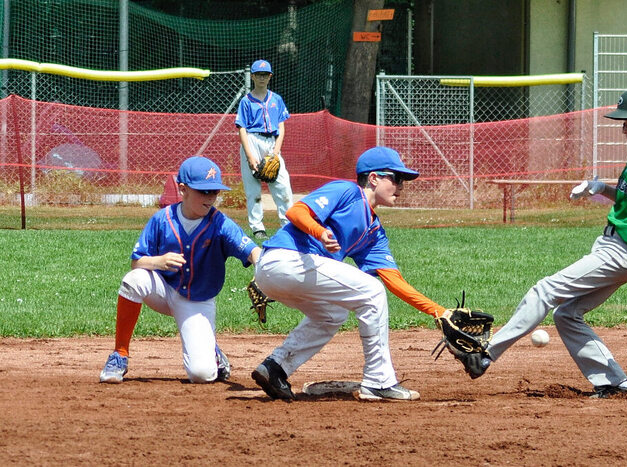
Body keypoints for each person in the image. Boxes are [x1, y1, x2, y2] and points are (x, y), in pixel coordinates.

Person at [471, 87, 627, 398]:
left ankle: (485, 353)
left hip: (623, 252)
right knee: (567, 314)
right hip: (613, 247)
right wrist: (600, 187)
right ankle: (616, 382)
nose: (622, 128)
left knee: (545, 290)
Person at [250, 146, 449, 401]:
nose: (401, 186)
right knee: (371, 291)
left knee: (333, 312)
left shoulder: (374, 231)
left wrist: (440, 312)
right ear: (374, 178)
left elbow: (395, 282)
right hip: (283, 260)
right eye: (396, 178)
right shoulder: (346, 191)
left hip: (290, 272)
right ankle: (379, 380)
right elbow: (295, 212)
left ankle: (276, 367)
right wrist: (319, 232)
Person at [99, 156, 262, 384]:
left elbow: (252, 251)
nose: (211, 198)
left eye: (214, 192)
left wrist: (262, 271)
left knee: (201, 375)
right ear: (183, 189)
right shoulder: (162, 220)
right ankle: (119, 355)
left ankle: (212, 353)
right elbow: (137, 263)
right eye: (203, 192)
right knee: (133, 280)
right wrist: (159, 262)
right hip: (163, 291)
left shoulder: (220, 223)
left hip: (196, 302)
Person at [236, 59, 293, 240]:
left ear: (270, 76)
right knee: (253, 189)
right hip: (252, 140)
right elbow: (242, 129)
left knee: (283, 187)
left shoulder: (276, 99)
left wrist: (276, 151)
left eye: (265, 74)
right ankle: (257, 227)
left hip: (272, 142)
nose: (262, 78)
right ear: (252, 76)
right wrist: (250, 156)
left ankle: (288, 224)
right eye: (258, 74)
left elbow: (281, 127)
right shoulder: (246, 101)